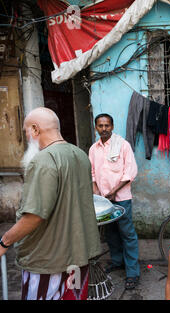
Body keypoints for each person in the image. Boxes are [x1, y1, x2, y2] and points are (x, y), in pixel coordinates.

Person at [0, 107, 102, 300]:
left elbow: (34, 216)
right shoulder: (79, 154)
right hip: (79, 258)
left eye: (27, 132)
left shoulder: (44, 160)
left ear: (36, 129)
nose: (27, 137)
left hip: (49, 262)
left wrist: (5, 241)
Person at [88, 113, 140, 289]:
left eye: (107, 125)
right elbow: (92, 173)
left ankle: (133, 273)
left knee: (127, 234)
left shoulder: (122, 145)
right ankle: (117, 261)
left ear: (112, 126)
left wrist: (114, 191)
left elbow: (130, 172)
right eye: (100, 126)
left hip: (121, 198)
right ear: (96, 127)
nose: (104, 129)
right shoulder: (93, 149)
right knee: (110, 233)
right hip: (104, 201)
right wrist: (97, 194)